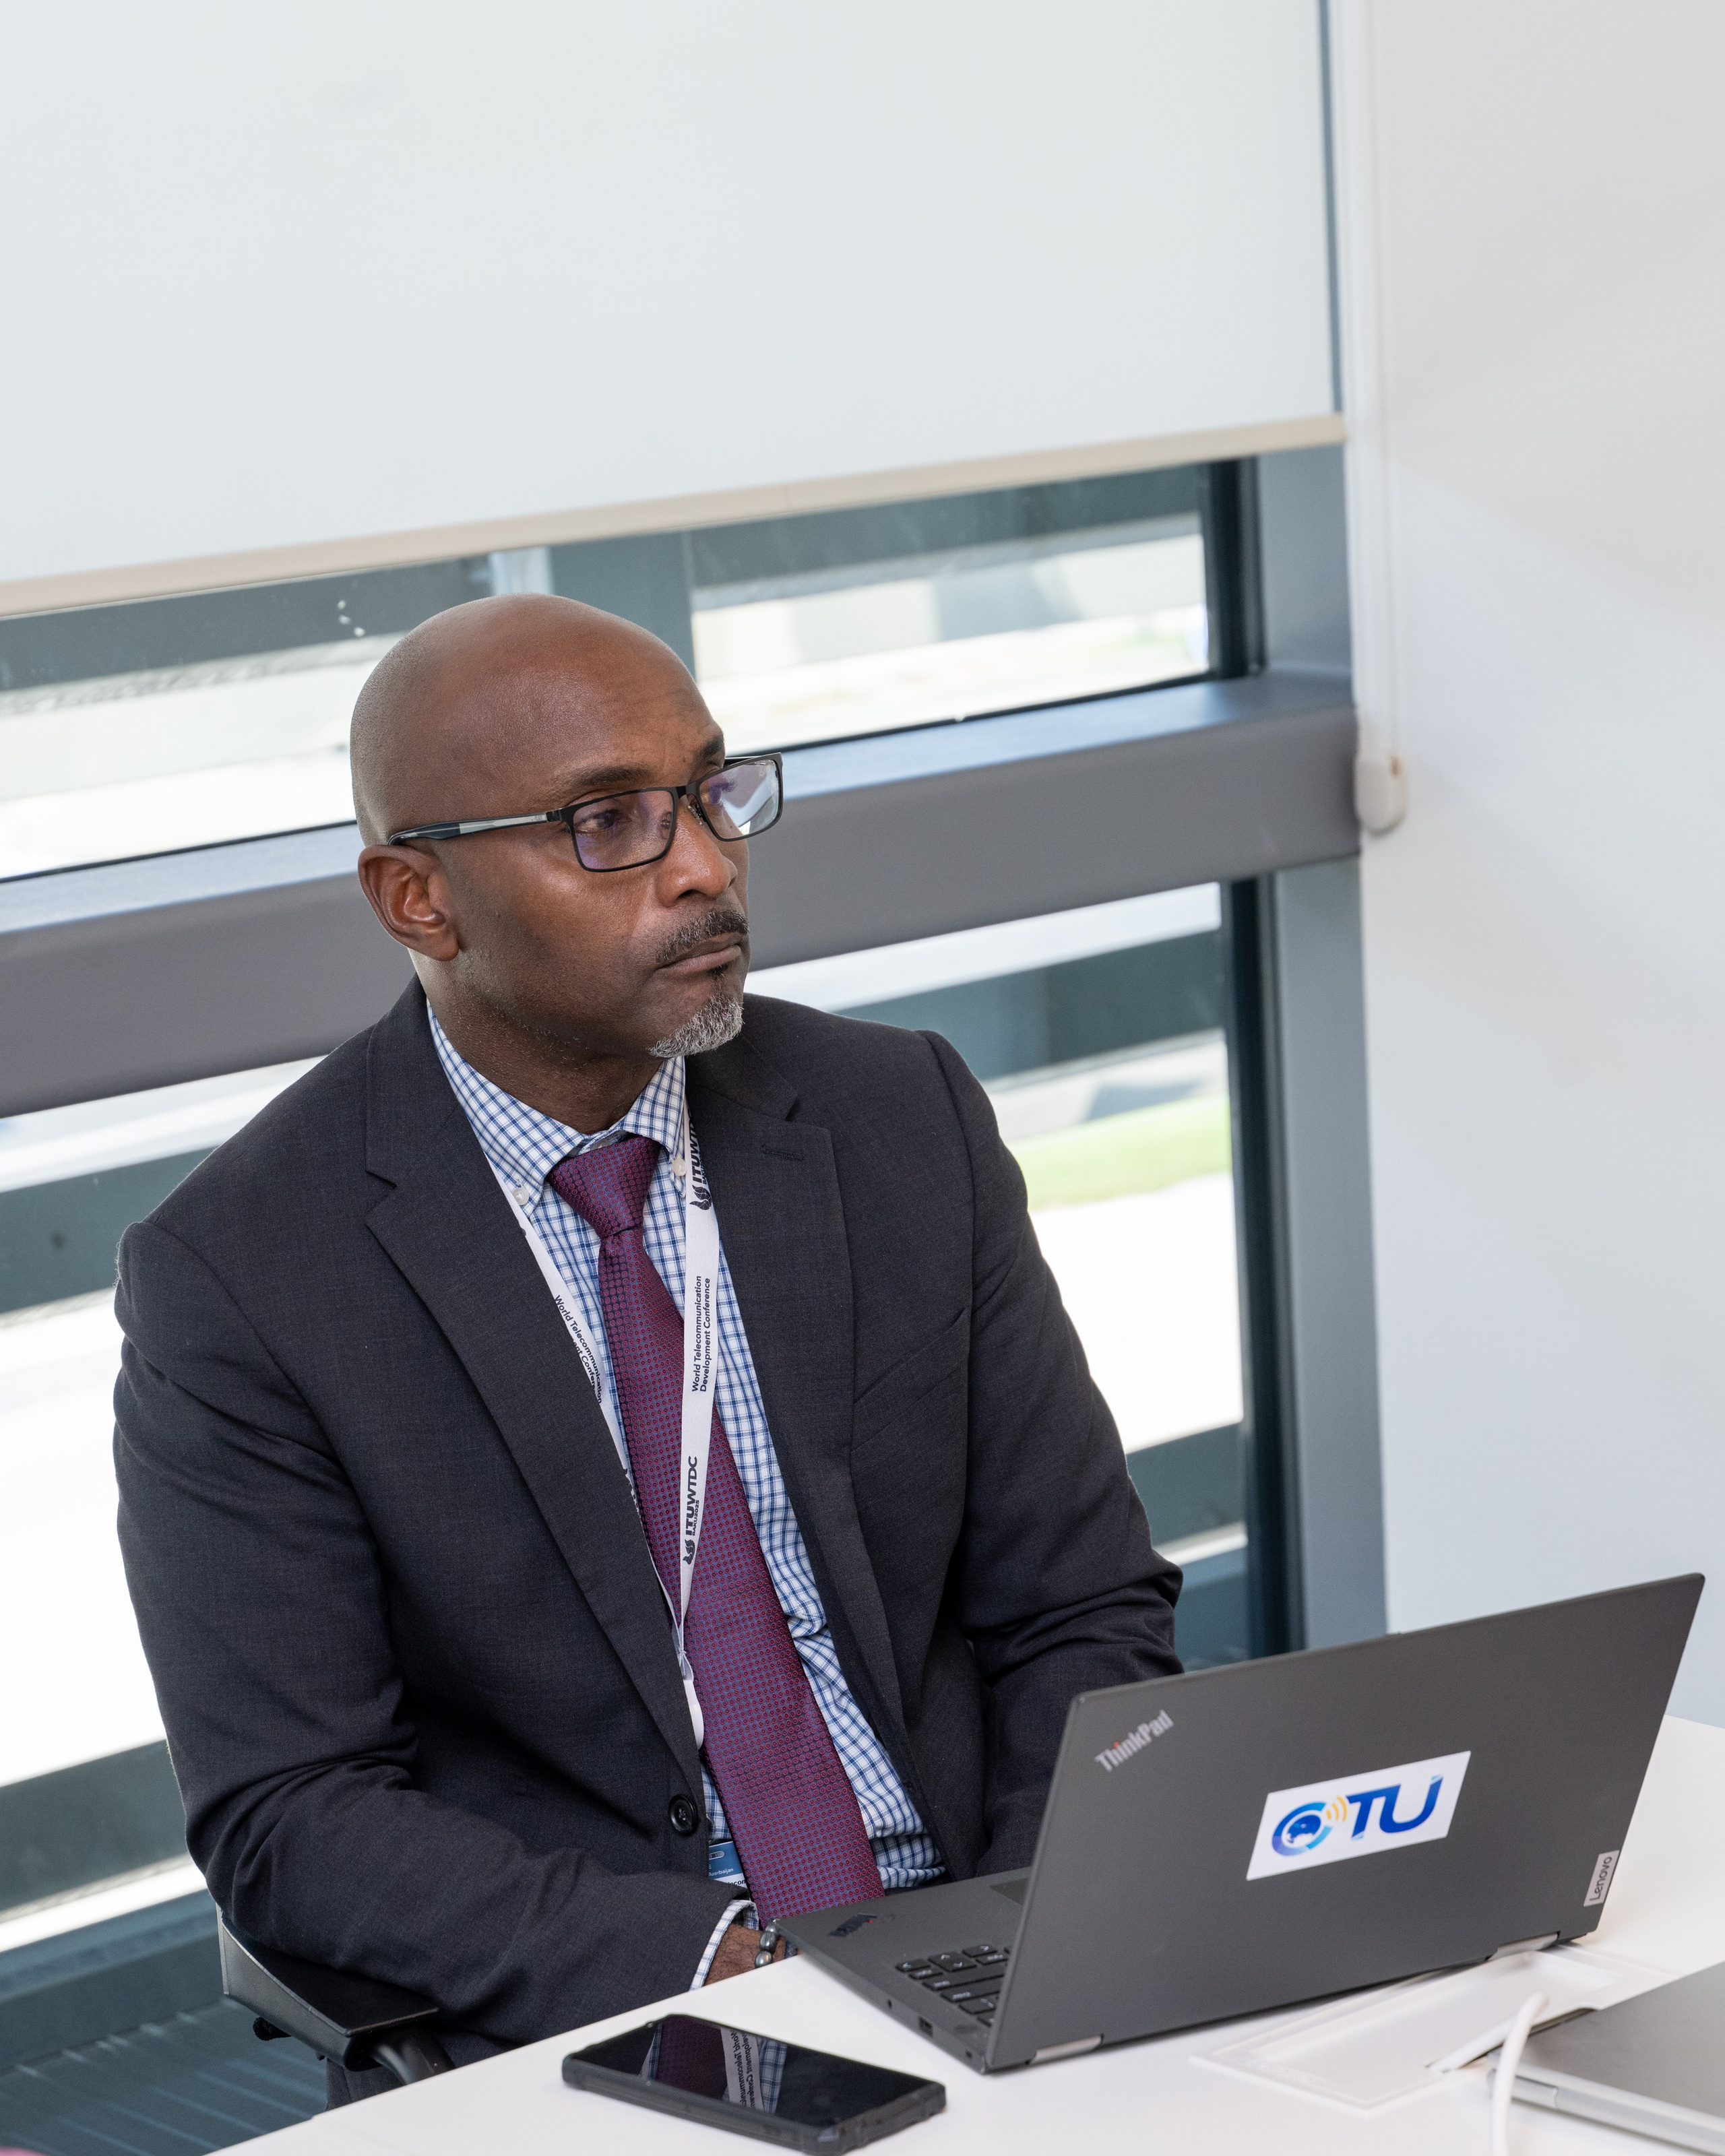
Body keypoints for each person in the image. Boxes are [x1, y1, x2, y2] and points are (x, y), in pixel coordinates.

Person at [113, 594, 1181, 2100]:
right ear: (417, 898)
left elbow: (1079, 1606)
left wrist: (1015, 1940)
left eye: (710, 792)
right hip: (611, 2011)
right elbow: (291, 1816)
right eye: (604, 822)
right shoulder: (244, 1275)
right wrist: (732, 1965)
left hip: (976, 1931)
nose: (703, 864)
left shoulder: (896, 1119)